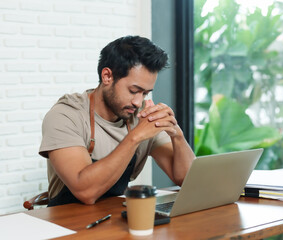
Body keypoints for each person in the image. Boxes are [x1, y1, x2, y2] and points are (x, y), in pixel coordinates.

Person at [39, 36, 195, 206]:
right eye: (133, 90)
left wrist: (177, 136)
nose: (138, 102)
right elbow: (85, 191)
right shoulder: (66, 115)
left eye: (145, 93)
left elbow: (188, 180)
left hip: (114, 218)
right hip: (66, 223)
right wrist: (136, 137)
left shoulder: (142, 115)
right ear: (107, 76)